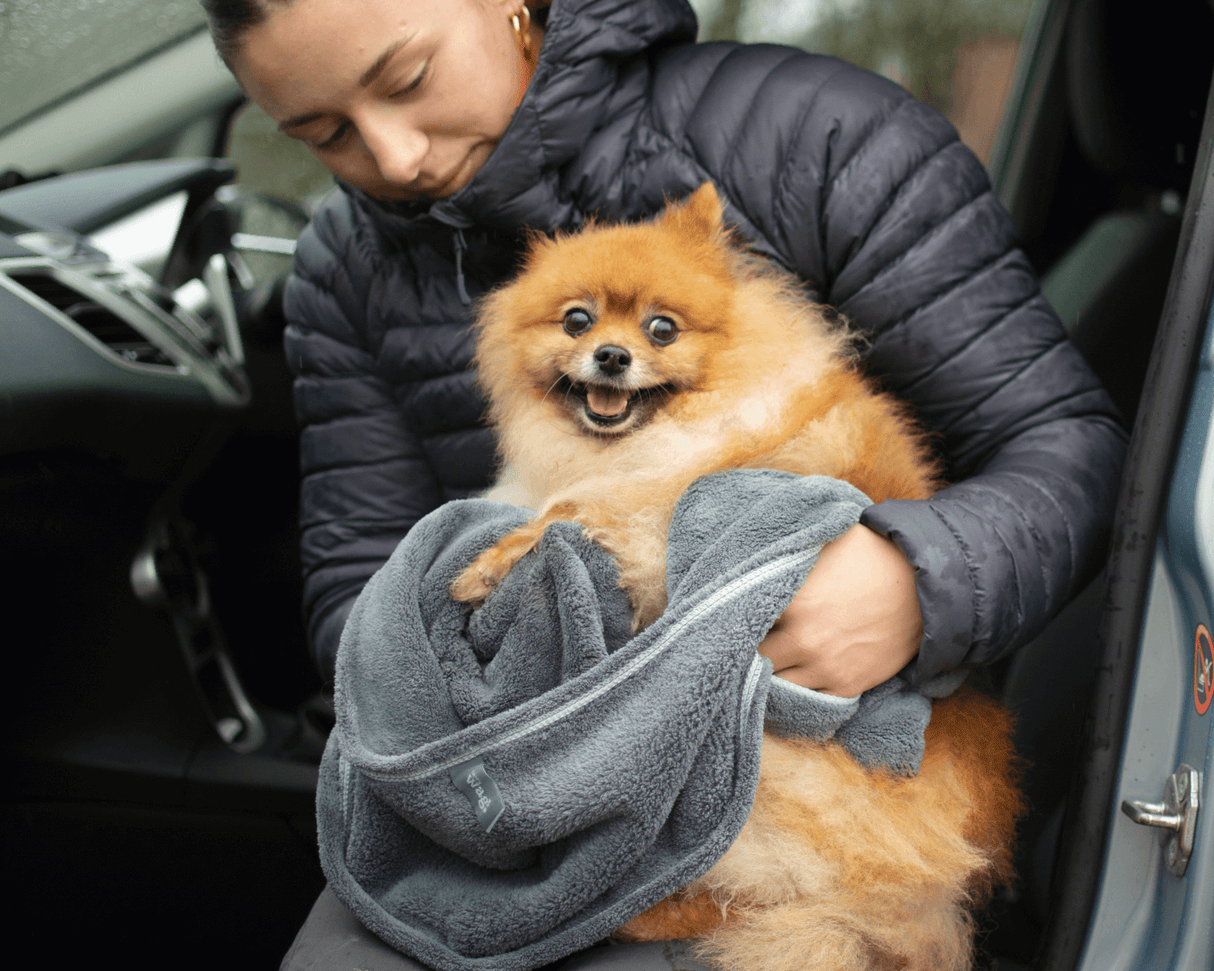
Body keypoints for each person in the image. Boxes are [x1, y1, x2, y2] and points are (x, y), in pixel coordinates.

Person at [202, 0, 1126, 967]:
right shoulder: (342, 268)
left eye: (408, 79)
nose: (394, 158)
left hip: (850, 741)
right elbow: (363, 584)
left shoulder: (815, 135)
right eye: (325, 133)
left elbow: (1071, 445)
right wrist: (491, 679)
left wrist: (916, 581)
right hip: (522, 757)